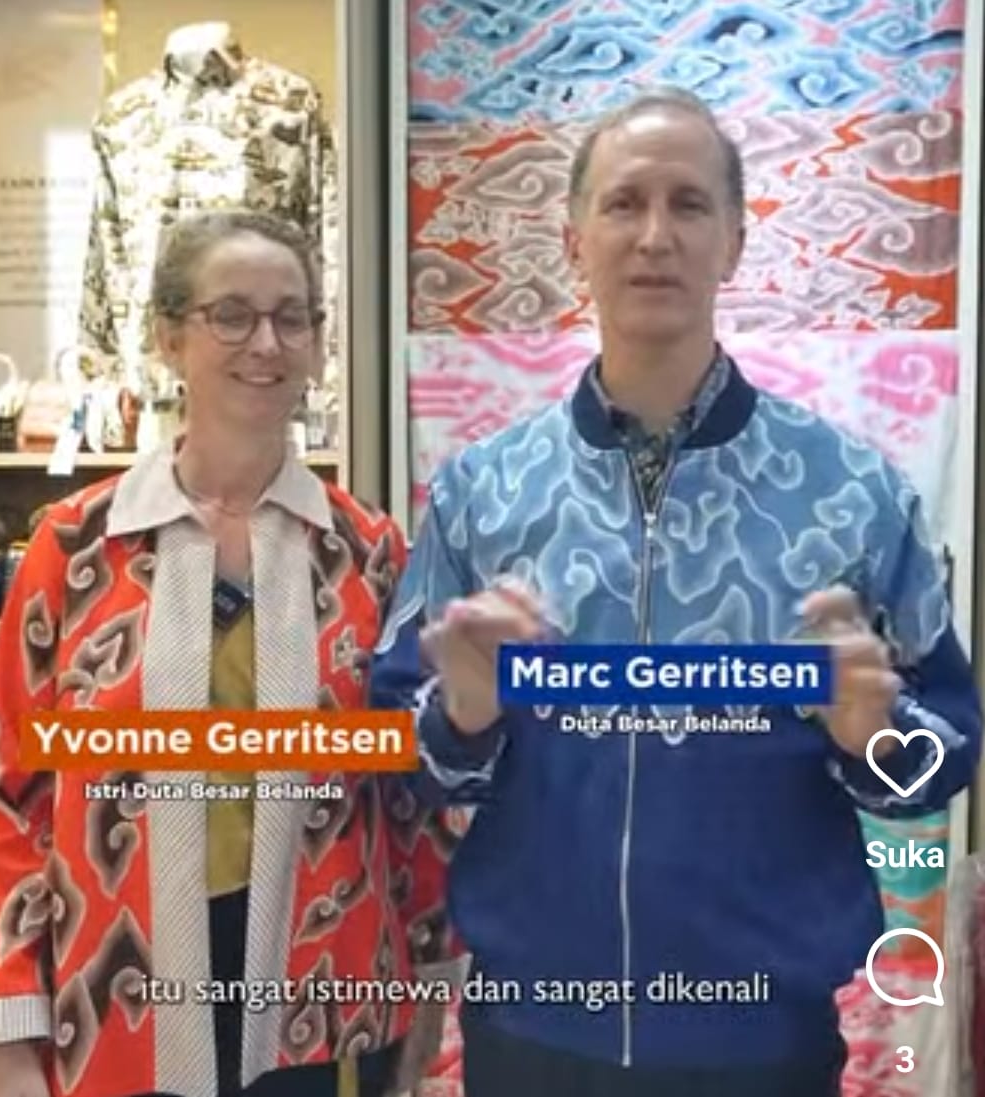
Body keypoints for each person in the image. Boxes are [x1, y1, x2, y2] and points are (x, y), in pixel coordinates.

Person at [369, 86, 982, 1097]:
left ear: (733, 242)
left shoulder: (851, 492)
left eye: (688, 204)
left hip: (764, 1038)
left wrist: (870, 734)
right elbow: (401, 749)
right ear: (574, 240)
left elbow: (942, 750)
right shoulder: (484, 490)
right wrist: (462, 716)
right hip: (533, 1031)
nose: (654, 235)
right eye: (624, 203)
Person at [0, 210, 458, 1097]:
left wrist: (430, 988)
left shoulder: (370, 552)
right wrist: (2, 1035)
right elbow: (0, 802)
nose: (267, 343)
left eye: (292, 317)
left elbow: (408, 800)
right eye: (232, 315)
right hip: (115, 1004)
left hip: (327, 1010)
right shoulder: (76, 548)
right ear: (170, 337)